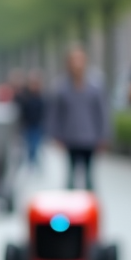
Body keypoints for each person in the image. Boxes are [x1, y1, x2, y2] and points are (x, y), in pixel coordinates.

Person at [47, 46, 110, 191]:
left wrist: (104, 135)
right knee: (70, 177)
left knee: (89, 178)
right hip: (70, 137)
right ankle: (70, 208)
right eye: (73, 60)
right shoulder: (61, 86)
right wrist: (55, 135)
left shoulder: (96, 84)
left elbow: (102, 111)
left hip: (90, 137)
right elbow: (55, 113)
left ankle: (89, 209)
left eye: (79, 60)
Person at [15, 70, 47, 171]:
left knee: (35, 145)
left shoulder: (42, 96)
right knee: (30, 145)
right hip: (27, 125)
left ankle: (34, 162)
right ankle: (32, 163)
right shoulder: (24, 96)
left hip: (38, 125)